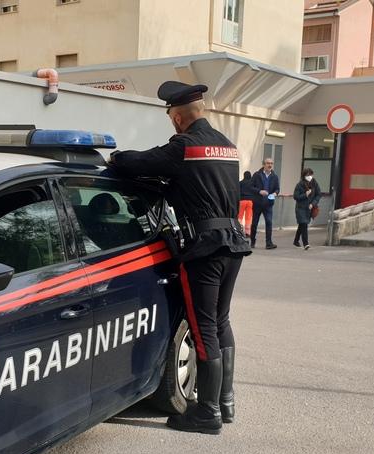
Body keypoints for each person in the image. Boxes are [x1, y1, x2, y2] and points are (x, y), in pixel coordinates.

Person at [109, 81, 251, 434]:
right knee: (221, 322)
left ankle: (207, 413)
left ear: (176, 117)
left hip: (204, 248)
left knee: (203, 327)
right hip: (233, 244)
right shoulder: (228, 147)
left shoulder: (184, 147)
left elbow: (136, 162)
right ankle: (225, 402)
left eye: (172, 117)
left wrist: (114, 157)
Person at [252, 158, 280, 249]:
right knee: (255, 223)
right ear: (264, 164)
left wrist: (275, 193)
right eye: (268, 163)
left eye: (271, 163)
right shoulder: (257, 175)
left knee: (269, 222)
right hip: (258, 203)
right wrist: (259, 191)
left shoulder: (275, 176)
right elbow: (250, 187)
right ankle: (252, 242)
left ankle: (269, 243)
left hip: (268, 204)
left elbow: (277, 189)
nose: (270, 165)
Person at [293, 168, 321, 250]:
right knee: (304, 224)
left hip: (309, 208)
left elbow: (318, 194)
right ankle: (306, 244)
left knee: (302, 225)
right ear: (304, 176)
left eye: (311, 174)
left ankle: (296, 240)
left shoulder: (314, 183)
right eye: (308, 175)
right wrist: (305, 194)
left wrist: (313, 204)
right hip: (300, 208)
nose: (310, 176)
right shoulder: (299, 185)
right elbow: (296, 196)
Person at [239, 171, 256, 238]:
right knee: (248, 217)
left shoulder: (240, 183)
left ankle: (239, 231)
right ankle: (248, 233)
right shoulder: (252, 183)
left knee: (240, 216)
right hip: (250, 201)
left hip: (242, 201)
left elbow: (238, 192)